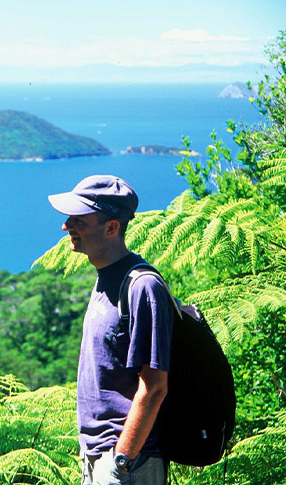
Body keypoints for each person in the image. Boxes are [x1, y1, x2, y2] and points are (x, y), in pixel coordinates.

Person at [47, 175, 173, 485]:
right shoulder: (105, 277)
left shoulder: (143, 287)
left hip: (127, 464)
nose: (66, 226)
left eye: (78, 219)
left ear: (111, 227)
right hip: (100, 460)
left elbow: (155, 386)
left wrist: (122, 461)